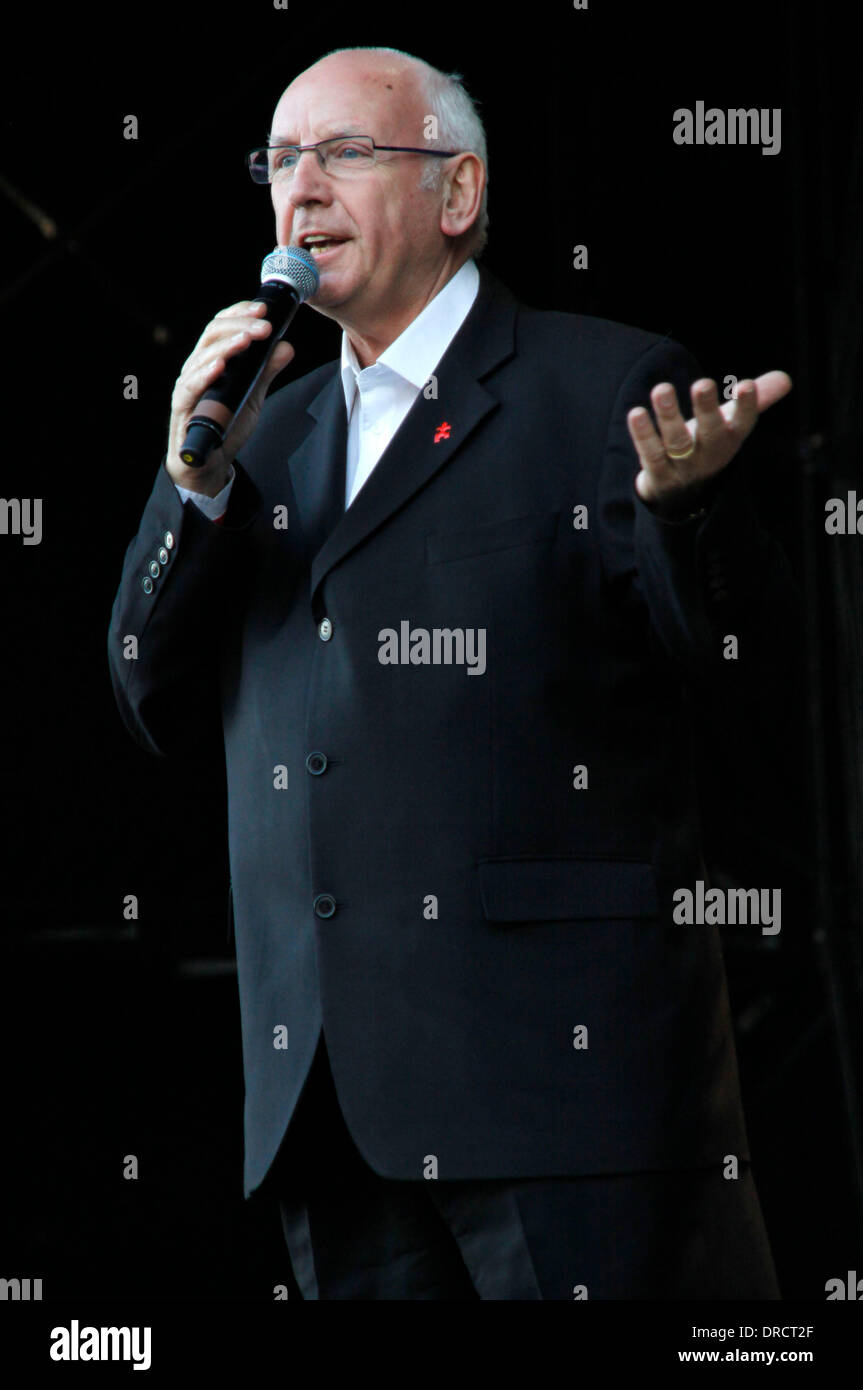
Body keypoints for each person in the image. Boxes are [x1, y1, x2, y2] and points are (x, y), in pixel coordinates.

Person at [108, 45, 797, 1299]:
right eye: (278, 160)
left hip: (558, 1095)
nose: (300, 188)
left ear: (457, 191)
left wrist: (688, 514)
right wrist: (188, 487)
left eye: (344, 152)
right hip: (326, 1103)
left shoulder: (602, 387)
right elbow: (148, 692)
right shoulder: (263, 431)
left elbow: (742, 671)